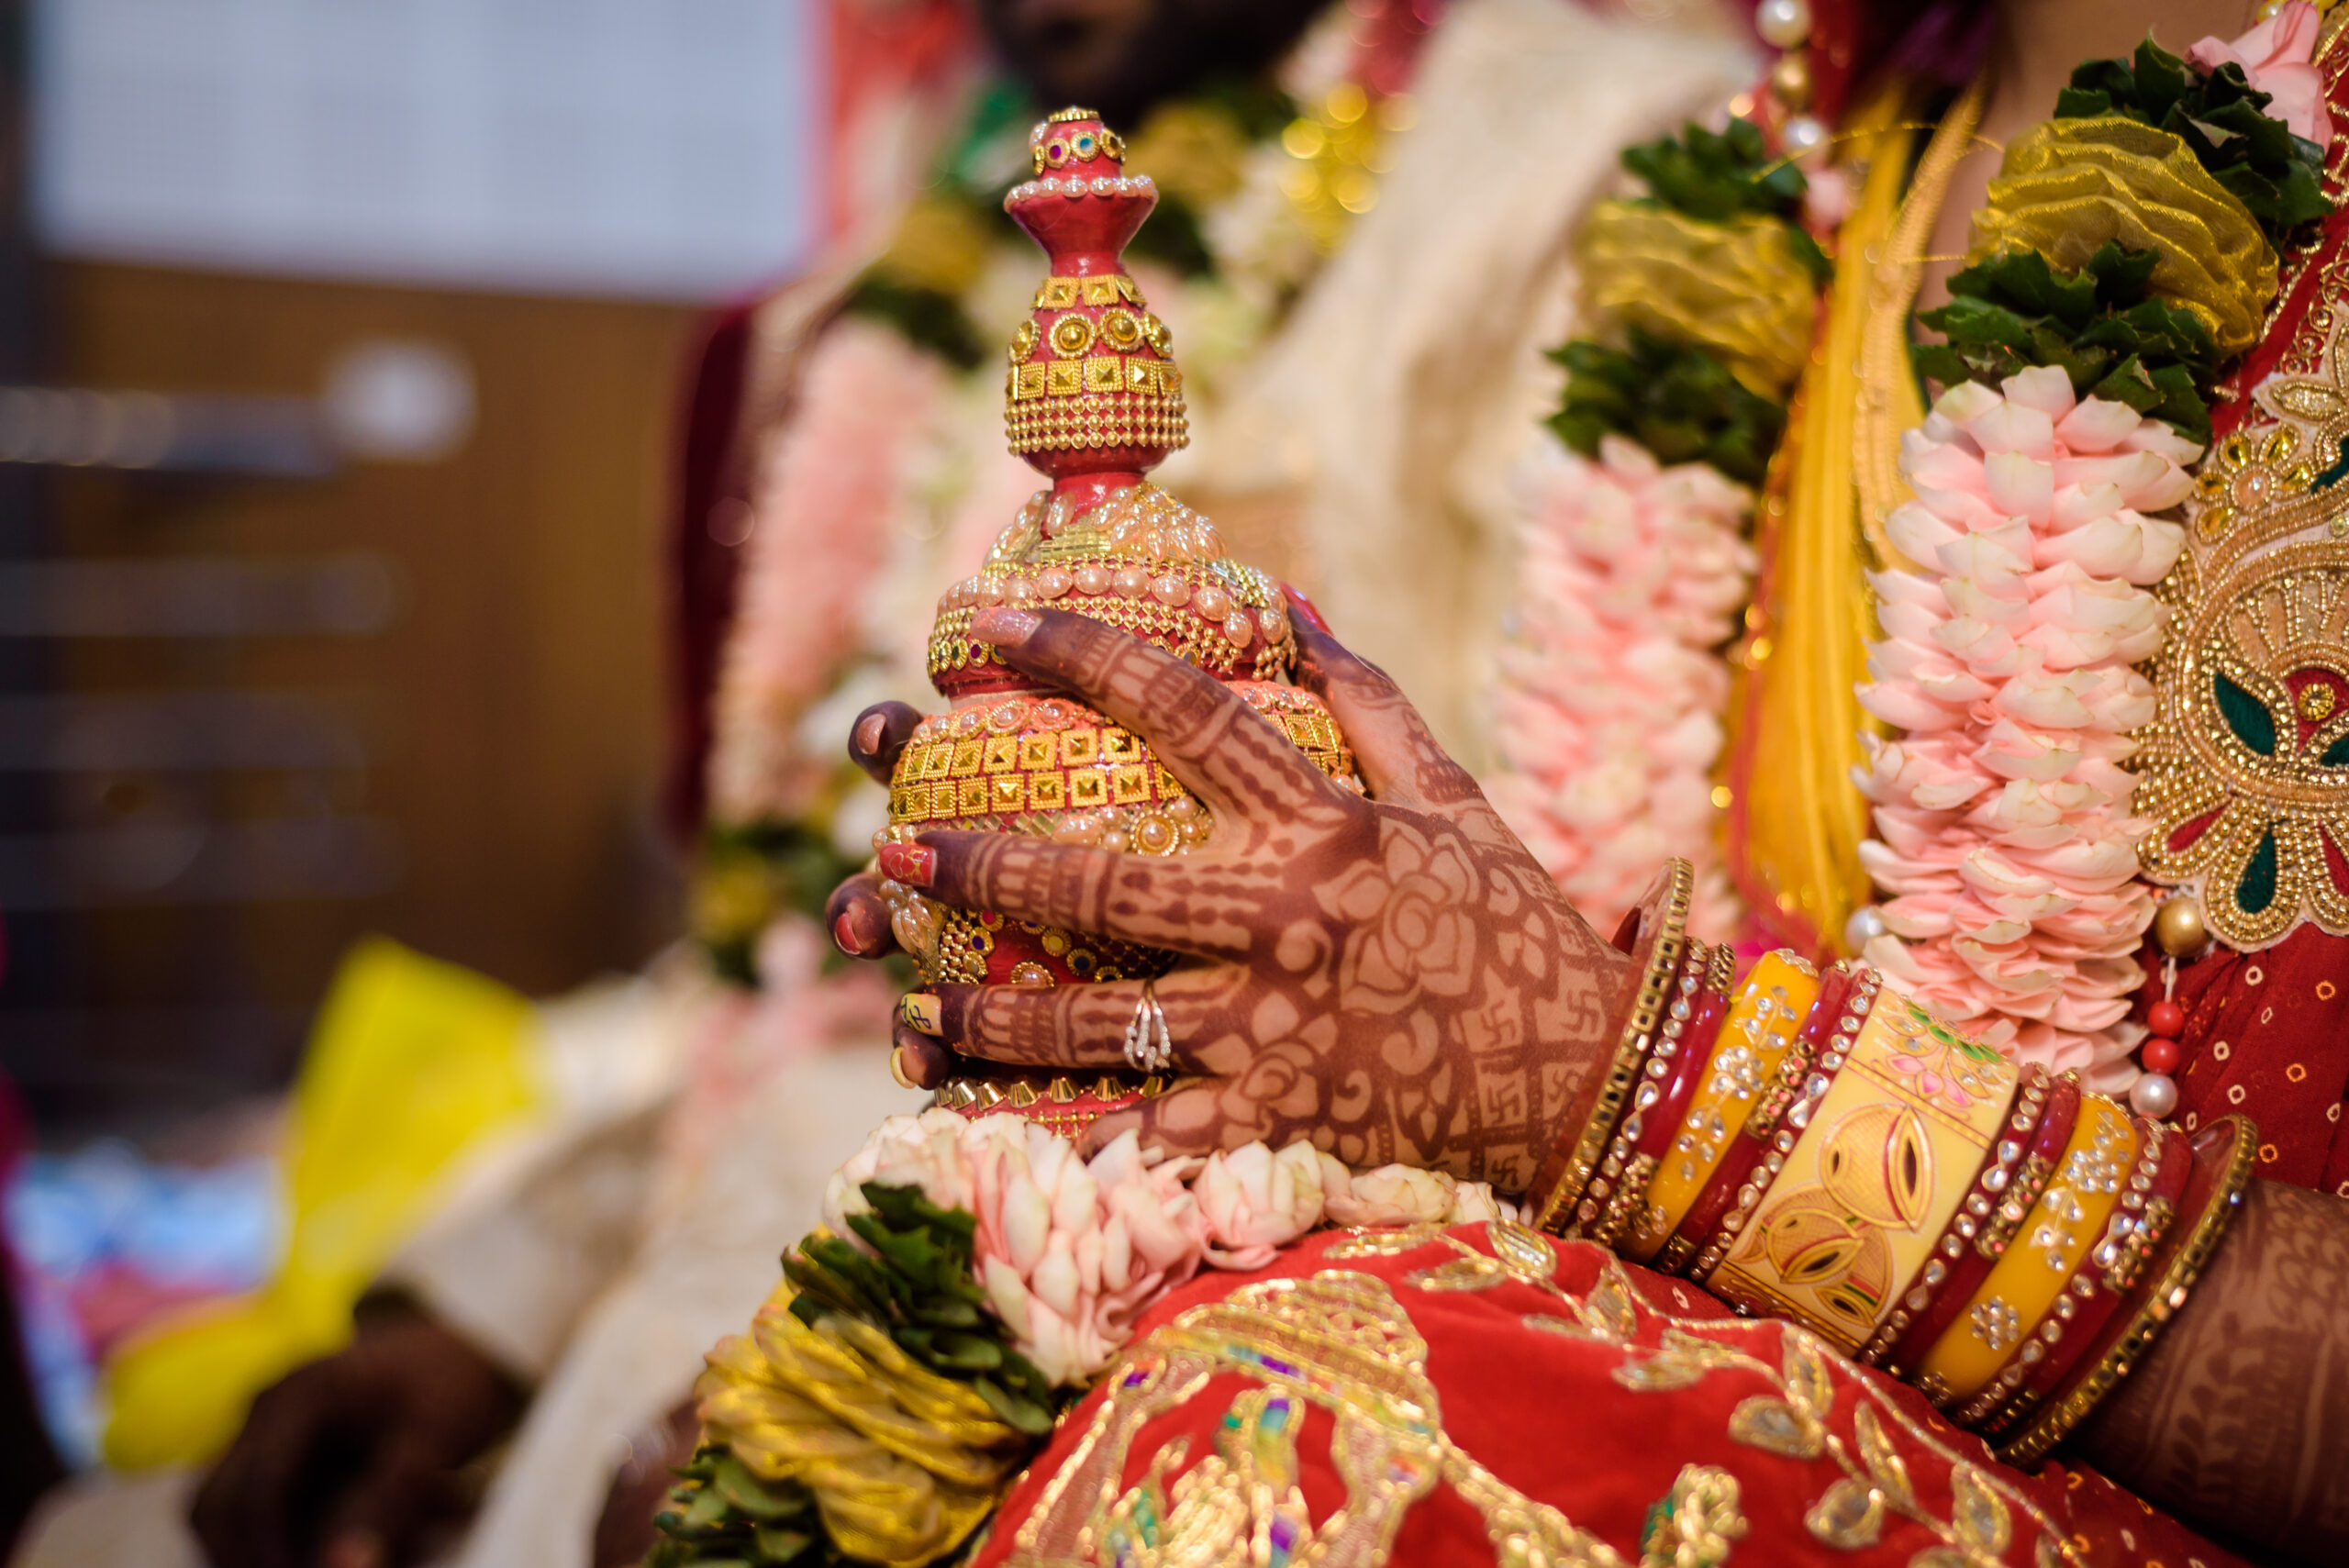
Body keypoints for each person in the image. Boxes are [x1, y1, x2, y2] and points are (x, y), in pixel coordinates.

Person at [8, 4, 1753, 1567]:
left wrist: (869, 1412)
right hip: (759, 1231)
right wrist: (487, 1310)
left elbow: (1516, 966)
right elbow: (788, 992)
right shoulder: (932, 232)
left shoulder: (1586, 167)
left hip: (1216, 1314)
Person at [644, 0, 2349, 1562]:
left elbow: (1563, 1044)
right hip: (1710, 1320)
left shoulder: (1570, 148)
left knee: (1284, 1459)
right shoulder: (1774, 189)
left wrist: (1612, 1068)